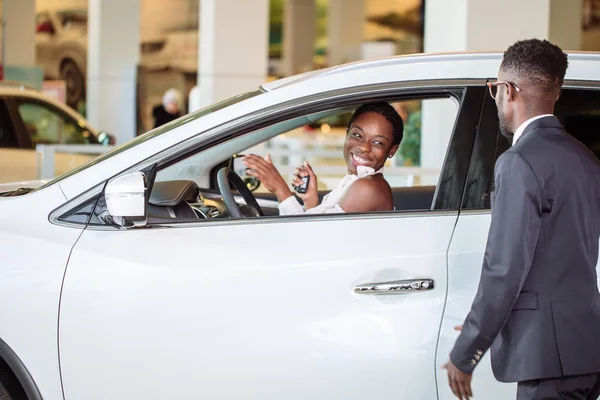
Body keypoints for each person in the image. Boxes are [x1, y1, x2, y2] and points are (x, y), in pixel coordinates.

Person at [443, 39, 600, 400]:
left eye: (494, 89)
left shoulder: (519, 162)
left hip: (548, 357)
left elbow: (504, 268)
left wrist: (467, 352)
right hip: (585, 347)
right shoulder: (585, 160)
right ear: (555, 92)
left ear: (507, 90)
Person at [243, 102, 404, 215]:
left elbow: (307, 240)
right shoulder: (356, 181)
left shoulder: (368, 188)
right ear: (346, 134)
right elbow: (322, 232)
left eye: (377, 142)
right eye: (357, 135)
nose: (364, 147)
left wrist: (280, 189)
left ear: (392, 150)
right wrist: (311, 200)